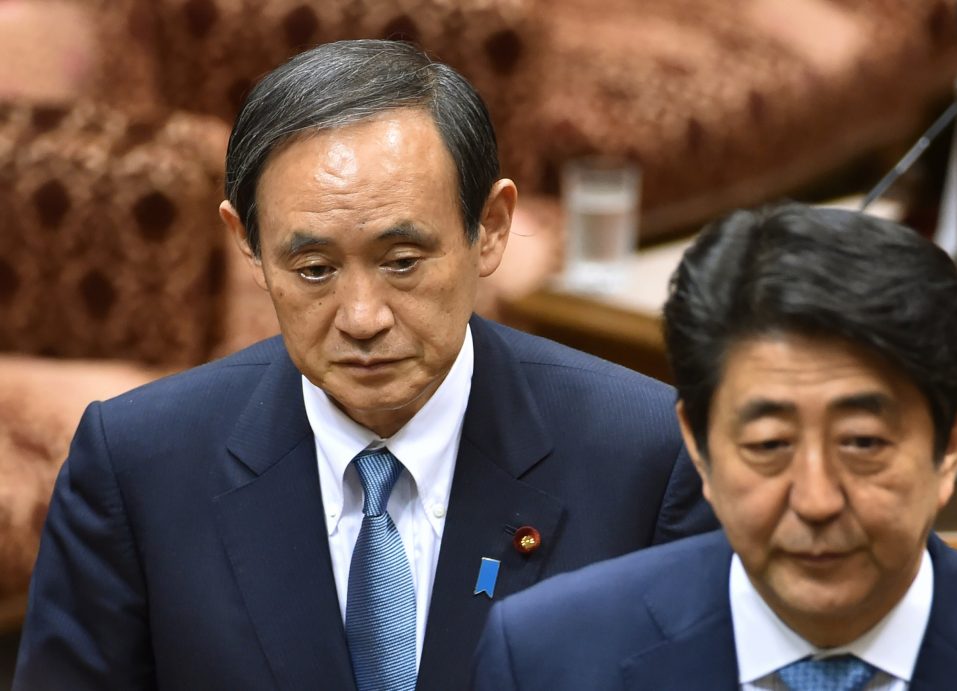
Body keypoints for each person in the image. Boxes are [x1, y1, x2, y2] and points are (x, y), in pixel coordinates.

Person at [13, 39, 715, 691]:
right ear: (248, 244)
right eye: (314, 269)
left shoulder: (645, 458)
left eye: (402, 262)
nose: (362, 317)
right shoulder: (138, 465)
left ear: (491, 228)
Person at [472, 203, 957, 690]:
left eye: (862, 443)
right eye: (769, 444)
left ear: (951, 444)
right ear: (701, 445)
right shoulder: (549, 658)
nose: (815, 500)